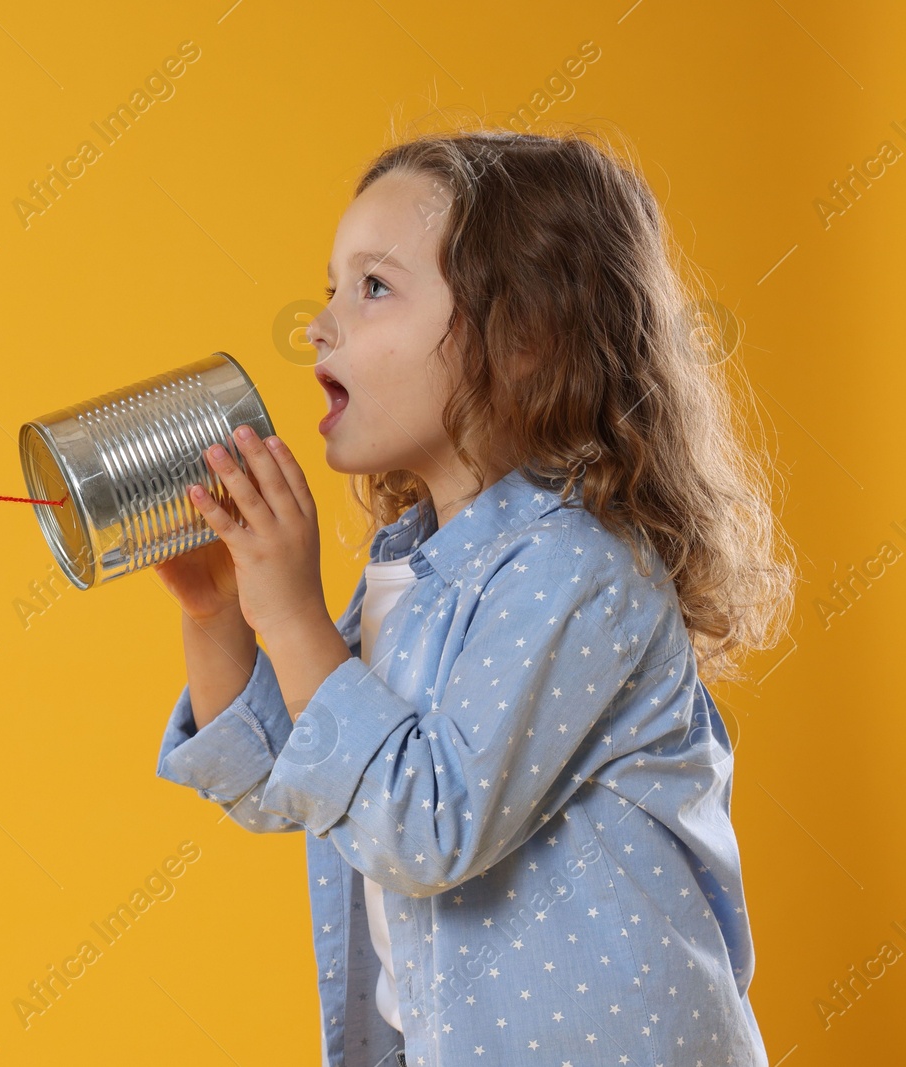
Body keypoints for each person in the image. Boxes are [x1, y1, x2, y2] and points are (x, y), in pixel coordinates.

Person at [152, 125, 795, 1067]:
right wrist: (223, 617)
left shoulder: (580, 569)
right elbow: (301, 779)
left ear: (523, 339)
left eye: (372, 288)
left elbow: (425, 821)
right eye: (332, 285)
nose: (319, 322)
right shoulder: (413, 569)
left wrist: (291, 615)